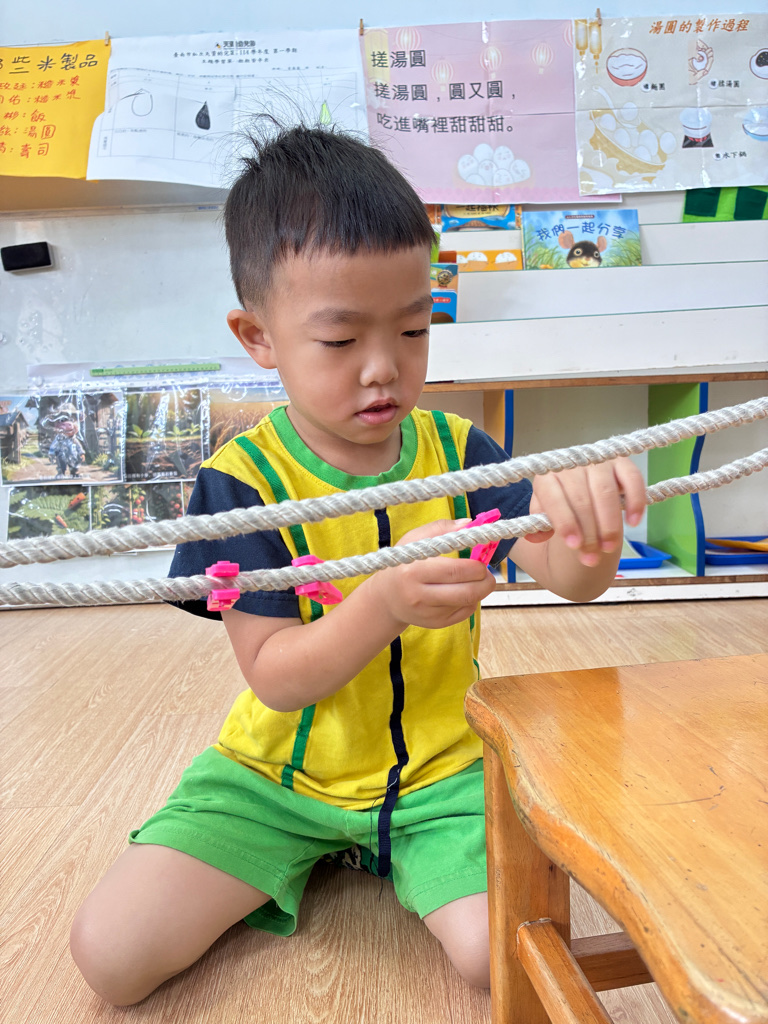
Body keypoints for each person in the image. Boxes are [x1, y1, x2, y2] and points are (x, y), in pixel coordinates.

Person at [69, 125, 646, 1007]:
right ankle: (321, 844)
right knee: (111, 957)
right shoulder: (242, 484)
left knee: (500, 957)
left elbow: (572, 581)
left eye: (414, 328)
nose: (385, 369)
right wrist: (384, 602)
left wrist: (590, 523)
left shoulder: (461, 453)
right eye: (340, 341)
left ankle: (395, 849)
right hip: (273, 778)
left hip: (440, 774)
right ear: (257, 336)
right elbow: (277, 679)